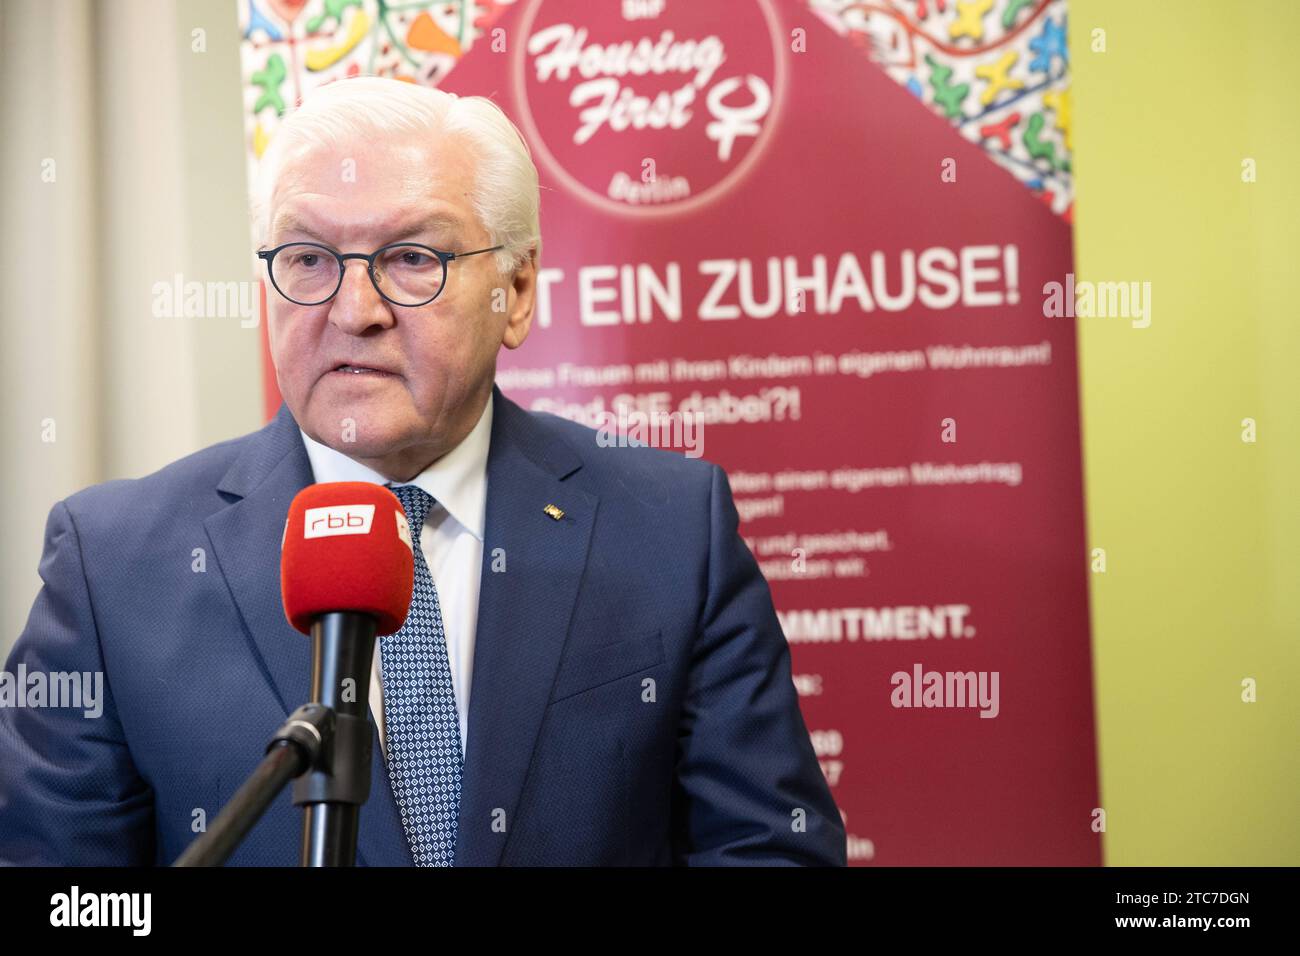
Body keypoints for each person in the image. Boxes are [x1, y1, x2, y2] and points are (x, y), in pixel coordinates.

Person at [0, 77, 846, 866]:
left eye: (412, 258)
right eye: (306, 258)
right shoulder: (111, 566)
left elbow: (770, 852)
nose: (353, 311)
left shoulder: (668, 528)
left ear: (514, 292)